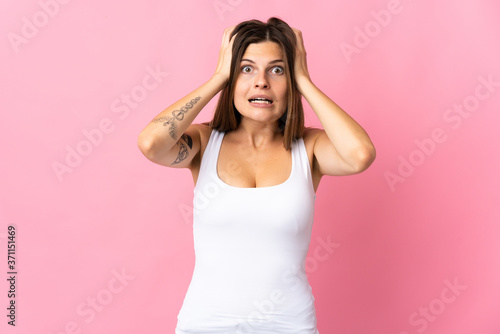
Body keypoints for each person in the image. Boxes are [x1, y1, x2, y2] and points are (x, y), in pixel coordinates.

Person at [138, 17, 375, 334]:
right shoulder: (204, 143)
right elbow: (151, 144)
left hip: (289, 325)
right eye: (246, 69)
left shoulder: (310, 147)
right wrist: (219, 76)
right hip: (206, 324)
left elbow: (360, 154)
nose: (261, 82)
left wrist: (303, 80)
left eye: (277, 70)